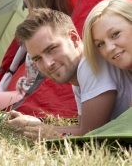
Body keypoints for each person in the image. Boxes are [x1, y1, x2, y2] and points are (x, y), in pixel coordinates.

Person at [7, 8, 132, 139]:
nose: (48, 63)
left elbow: (90, 134)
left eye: (51, 49)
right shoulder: (78, 76)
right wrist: (34, 125)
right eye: (38, 59)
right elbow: (81, 128)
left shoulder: (89, 64)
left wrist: (46, 132)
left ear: (74, 38)